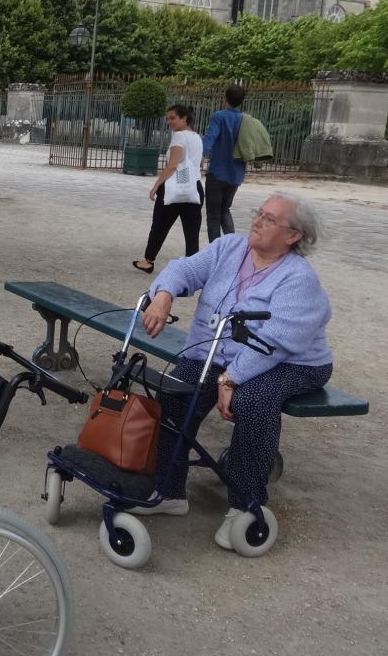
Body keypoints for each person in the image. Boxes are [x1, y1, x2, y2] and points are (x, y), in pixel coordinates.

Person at [138, 194, 333, 550]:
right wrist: (164, 294)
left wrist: (232, 378)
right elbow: (184, 269)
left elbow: (277, 341)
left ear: (293, 236)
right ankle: (167, 490)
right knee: (177, 388)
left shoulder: (298, 278)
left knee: (254, 399)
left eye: (269, 219)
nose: (257, 220)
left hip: (293, 363)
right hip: (219, 354)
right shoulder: (230, 247)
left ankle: (246, 504)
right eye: (259, 213)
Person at [134, 105, 204, 274]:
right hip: (194, 188)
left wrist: (156, 184)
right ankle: (192, 267)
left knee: (159, 225)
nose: (169, 122)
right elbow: (199, 164)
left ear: (184, 118)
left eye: (172, 118)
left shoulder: (179, 137)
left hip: (175, 189)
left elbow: (173, 165)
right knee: (192, 230)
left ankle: (148, 261)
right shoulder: (197, 137)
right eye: (168, 118)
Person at [201, 84, 247, 242]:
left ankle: (216, 251)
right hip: (236, 173)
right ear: (241, 102)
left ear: (225, 98)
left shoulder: (219, 116)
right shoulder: (245, 119)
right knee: (225, 210)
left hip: (218, 171)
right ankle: (233, 246)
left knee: (213, 215)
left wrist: (199, 155)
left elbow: (210, 138)